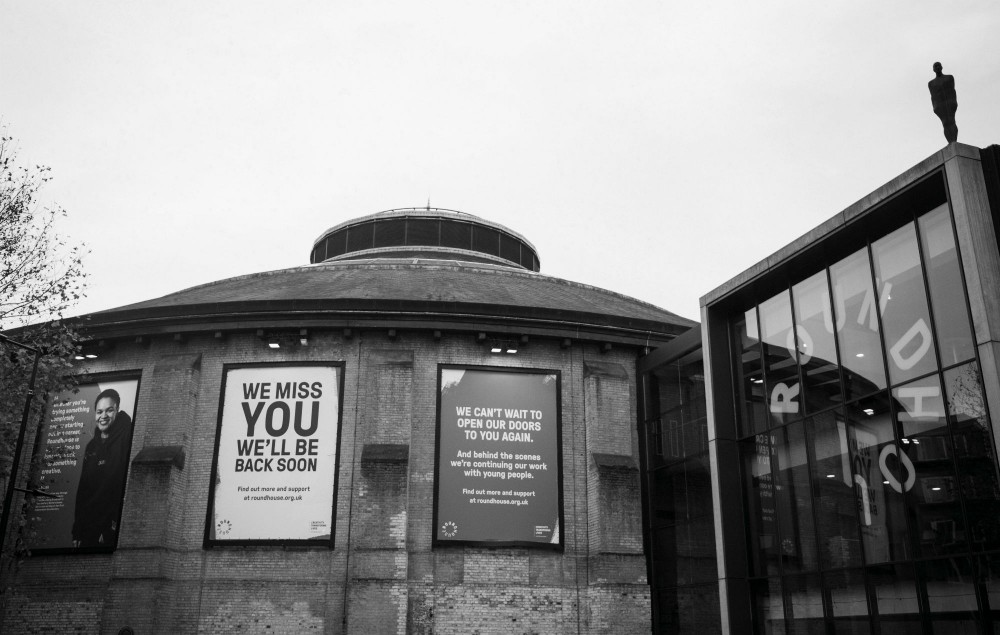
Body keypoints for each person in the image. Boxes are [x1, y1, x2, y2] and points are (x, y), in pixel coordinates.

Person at [72, 389, 134, 548]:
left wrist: (112, 526)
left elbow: (122, 485)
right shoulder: (91, 447)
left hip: (112, 527)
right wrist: (78, 529)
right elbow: (83, 490)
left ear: (117, 411)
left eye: (109, 410)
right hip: (88, 528)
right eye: (99, 411)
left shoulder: (129, 436)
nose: (103, 416)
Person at [928, 62, 958, 143]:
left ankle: (954, 140)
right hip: (940, 105)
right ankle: (950, 142)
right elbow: (933, 96)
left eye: (938, 65)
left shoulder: (949, 77)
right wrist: (935, 107)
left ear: (941, 67)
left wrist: (954, 102)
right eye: (935, 66)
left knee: (951, 121)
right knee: (945, 123)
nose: (937, 67)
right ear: (933, 69)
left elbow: (953, 90)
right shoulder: (931, 83)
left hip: (949, 102)